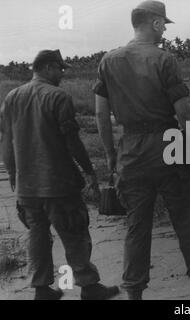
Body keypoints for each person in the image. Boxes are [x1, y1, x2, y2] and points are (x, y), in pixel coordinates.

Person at [93, 1, 190, 300]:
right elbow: (185, 114)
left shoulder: (108, 61)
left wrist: (112, 155)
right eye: (163, 23)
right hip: (168, 147)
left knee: (136, 227)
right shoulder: (164, 60)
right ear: (153, 23)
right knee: (186, 223)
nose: (165, 29)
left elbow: (101, 115)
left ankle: (134, 295)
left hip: (131, 152)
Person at [0, 49, 119, 300]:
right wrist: (88, 171)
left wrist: (12, 173)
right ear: (47, 68)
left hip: (27, 187)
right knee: (75, 233)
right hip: (58, 184)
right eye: (60, 69)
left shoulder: (12, 97)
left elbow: (6, 140)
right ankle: (88, 286)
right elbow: (72, 140)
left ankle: (42, 289)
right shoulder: (57, 97)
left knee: (38, 237)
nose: (62, 74)